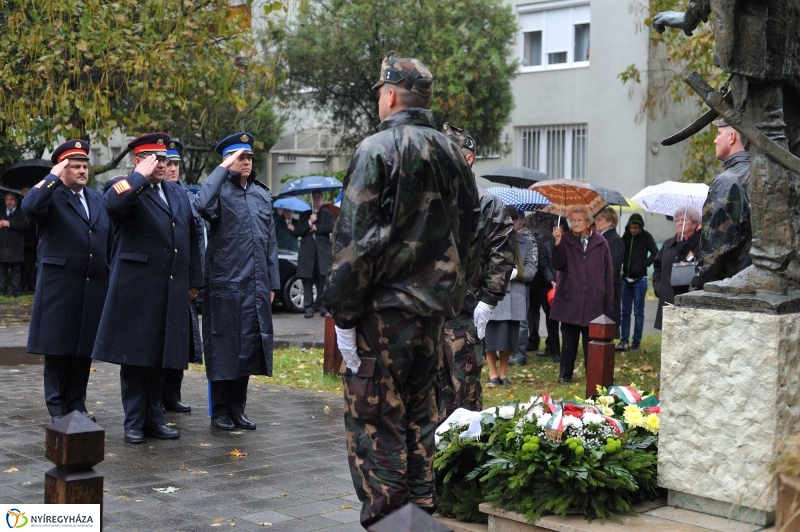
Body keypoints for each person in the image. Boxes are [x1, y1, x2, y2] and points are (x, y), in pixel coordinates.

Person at [322, 51, 480, 528]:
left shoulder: (377, 149)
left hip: (382, 316)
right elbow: (469, 234)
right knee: (419, 424)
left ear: (389, 95)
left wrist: (343, 318)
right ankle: (420, 519)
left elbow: (355, 242)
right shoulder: (454, 154)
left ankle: (390, 523)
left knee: (378, 429)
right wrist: (452, 298)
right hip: (432, 318)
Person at [92, 132, 203, 444]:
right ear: (138, 160)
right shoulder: (124, 186)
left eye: (164, 159)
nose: (161, 164)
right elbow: (112, 207)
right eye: (154, 159)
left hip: (170, 287)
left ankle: (155, 418)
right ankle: (134, 421)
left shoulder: (177, 193)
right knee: (136, 358)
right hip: (137, 287)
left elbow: (190, 237)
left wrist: (195, 279)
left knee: (162, 357)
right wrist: (138, 177)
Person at [194, 133, 281, 432]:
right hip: (226, 283)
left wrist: (273, 284)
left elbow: (270, 243)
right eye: (238, 157)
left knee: (250, 346)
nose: (245, 162)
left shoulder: (260, 194)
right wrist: (222, 170)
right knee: (224, 346)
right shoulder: (218, 193)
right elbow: (201, 204)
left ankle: (238, 409)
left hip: (255, 284)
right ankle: (220, 411)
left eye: (248, 157)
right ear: (227, 161)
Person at [22, 139, 111, 423]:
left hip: (92, 284)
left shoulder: (96, 198)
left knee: (83, 350)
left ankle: (77, 405)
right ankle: (57, 408)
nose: (82, 171)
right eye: (75, 166)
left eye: (85, 166)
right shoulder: (51, 196)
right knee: (58, 350)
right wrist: (52, 177)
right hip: (60, 285)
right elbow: (30, 207)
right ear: (62, 169)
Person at [437, 122, 514, 421]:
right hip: (427, 314)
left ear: (467, 158)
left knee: (463, 393)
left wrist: (489, 300)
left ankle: (464, 457)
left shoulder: (486, 203)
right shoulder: (431, 200)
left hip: (463, 314)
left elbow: (502, 254)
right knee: (430, 394)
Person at [160, 139, 205, 414]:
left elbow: (196, 241)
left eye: (176, 163)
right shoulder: (153, 194)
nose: (173, 168)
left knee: (181, 340)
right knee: (160, 340)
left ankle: (172, 394)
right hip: (160, 279)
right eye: (169, 163)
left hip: (183, 281)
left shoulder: (187, 197)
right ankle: (158, 395)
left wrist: (195, 281)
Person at [550, 206, 614, 383]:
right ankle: (565, 375)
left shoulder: (601, 242)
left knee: (591, 341)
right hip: (570, 298)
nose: (576, 223)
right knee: (569, 340)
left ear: (588, 222)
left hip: (594, 299)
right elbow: (558, 264)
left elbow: (609, 274)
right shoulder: (565, 239)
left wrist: (608, 305)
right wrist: (557, 242)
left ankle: (592, 374)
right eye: (573, 220)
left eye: (579, 220)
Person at [692, 119, 751, 289]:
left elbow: (714, 252)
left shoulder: (727, 182)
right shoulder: (768, 175)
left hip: (733, 289)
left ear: (732, 137)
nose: (715, 140)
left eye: (719, 134)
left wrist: (697, 288)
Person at [485, 206, 536, 387]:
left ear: (516, 221)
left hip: (514, 295)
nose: (509, 224)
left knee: (507, 337)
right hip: (494, 294)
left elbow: (531, 269)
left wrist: (518, 273)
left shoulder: (525, 242)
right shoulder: (490, 239)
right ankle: (492, 374)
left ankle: (503, 373)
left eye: (512, 221)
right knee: (491, 336)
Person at [653, 206, 702, 330]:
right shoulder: (668, 244)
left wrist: (689, 255)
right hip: (667, 299)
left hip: (689, 300)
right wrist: (659, 288)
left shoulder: (702, 244)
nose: (679, 223)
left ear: (695, 223)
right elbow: (657, 267)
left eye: (684, 220)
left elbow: (704, 270)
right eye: (677, 220)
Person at [618, 213, 657, 352]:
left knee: (638, 312)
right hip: (625, 280)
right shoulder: (625, 237)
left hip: (640, 280)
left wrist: (644, 264)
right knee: (625, 312)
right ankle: (624, 341)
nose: (633, 230)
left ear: (640, 227)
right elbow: (620, 251)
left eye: (636, 228)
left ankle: (636, 342)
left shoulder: (646, 237)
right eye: (631, 228)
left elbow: (655, 252)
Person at [292, 190, 334, 318]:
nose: (316, 200)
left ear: (322, 199)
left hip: (322, 253)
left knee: (322, 280)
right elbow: (298, 231)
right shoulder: (305, 214)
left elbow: (331, 227)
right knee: (307, 281)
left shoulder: (328, 214)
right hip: (308, 252)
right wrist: (310, 222)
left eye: (318, 198)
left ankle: (322, 307)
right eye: (314, 198)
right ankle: (308, 308)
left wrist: (316, 227)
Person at [537, 218, 569, 362]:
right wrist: (551, 280)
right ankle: (554, 350)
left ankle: (566, 350)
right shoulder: (547, 246)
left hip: (567, 288)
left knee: (567, 323)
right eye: (556, 231)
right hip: (550, 288)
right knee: (551, 321)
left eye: (562, 231)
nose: (559, 234)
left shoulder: (570, 246)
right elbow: (543, 263)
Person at [594, 207, 624, 336]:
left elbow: (613, 270)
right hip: (598, 293)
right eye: (596, 219)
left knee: (606, 332)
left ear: (610, 222)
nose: (596, 222)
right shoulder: (599, 238)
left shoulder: (614, 240)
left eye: (600, 219)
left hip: (607, 293)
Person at [0, 192, 29, 297]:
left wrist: (9, 224)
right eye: (7, 199)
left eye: (11, 199)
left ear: (16, 200)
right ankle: (2, 291)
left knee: (16, 271)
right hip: (2, 246)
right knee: (2, 270)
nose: (9, 202)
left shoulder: (21, 212)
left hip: (16, 246)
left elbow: (26, 224)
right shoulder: (2, 211)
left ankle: (17, 292)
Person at [19, 186, 38, 293]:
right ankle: (21, 285)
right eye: (24, 191)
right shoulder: (19, 204)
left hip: (33, 239)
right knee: (21, 265)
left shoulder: (35, 202)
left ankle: (32, 285)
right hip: (20, 240)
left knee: (32, 264)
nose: (26, 192)